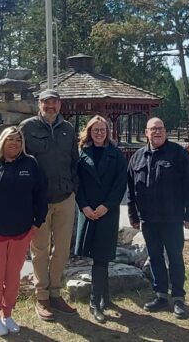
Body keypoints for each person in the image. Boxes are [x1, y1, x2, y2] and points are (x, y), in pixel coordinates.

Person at [0, 126, 48, 336]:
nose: (15, 143)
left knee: (13, 276)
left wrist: (36, 224)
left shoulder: (31, 164)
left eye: (18, 140)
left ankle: (8, 314)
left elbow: (41, 196)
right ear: (2, 141)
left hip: (21, 233)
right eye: (10, 139)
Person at [127, 117, 189, 319]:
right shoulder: (137, 157)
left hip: (173, 218)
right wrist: (133, 216)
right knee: (156, 258)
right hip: (149, 220)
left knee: (175, 258)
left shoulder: (178, 154)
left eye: (160, 128)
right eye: (153, 129)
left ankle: (178, 298)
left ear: (165, 131)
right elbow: (132, 191)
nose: (157, 132)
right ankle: (160, 295)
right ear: (146, 132)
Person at [19, 88, 79, 321]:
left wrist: (73, 187)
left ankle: (55, 293)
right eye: (46, 102)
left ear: (60, 105)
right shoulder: (27, 128)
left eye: (54, 102)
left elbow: (75, 160)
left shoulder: (68, 130)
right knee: (40, 249)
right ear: (39, 104)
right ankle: (41, 296)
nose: (50, 106)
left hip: (65, 197)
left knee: (62, 250)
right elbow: (13, 151)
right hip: (39, 200)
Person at [74, 115, 127, 323]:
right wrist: (85, 206)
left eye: (102, 130)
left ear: (108, 132)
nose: (99, 133)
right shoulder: (81, 153)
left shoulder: (116, 154)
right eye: (95, 130)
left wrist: (106, 206)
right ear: (89, 132)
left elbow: (121, 183)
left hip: (108, 211)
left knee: (102, 257)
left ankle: (96, 302)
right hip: (87, 212)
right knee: (98, 257)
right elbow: (76, 182)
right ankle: (104, 297)